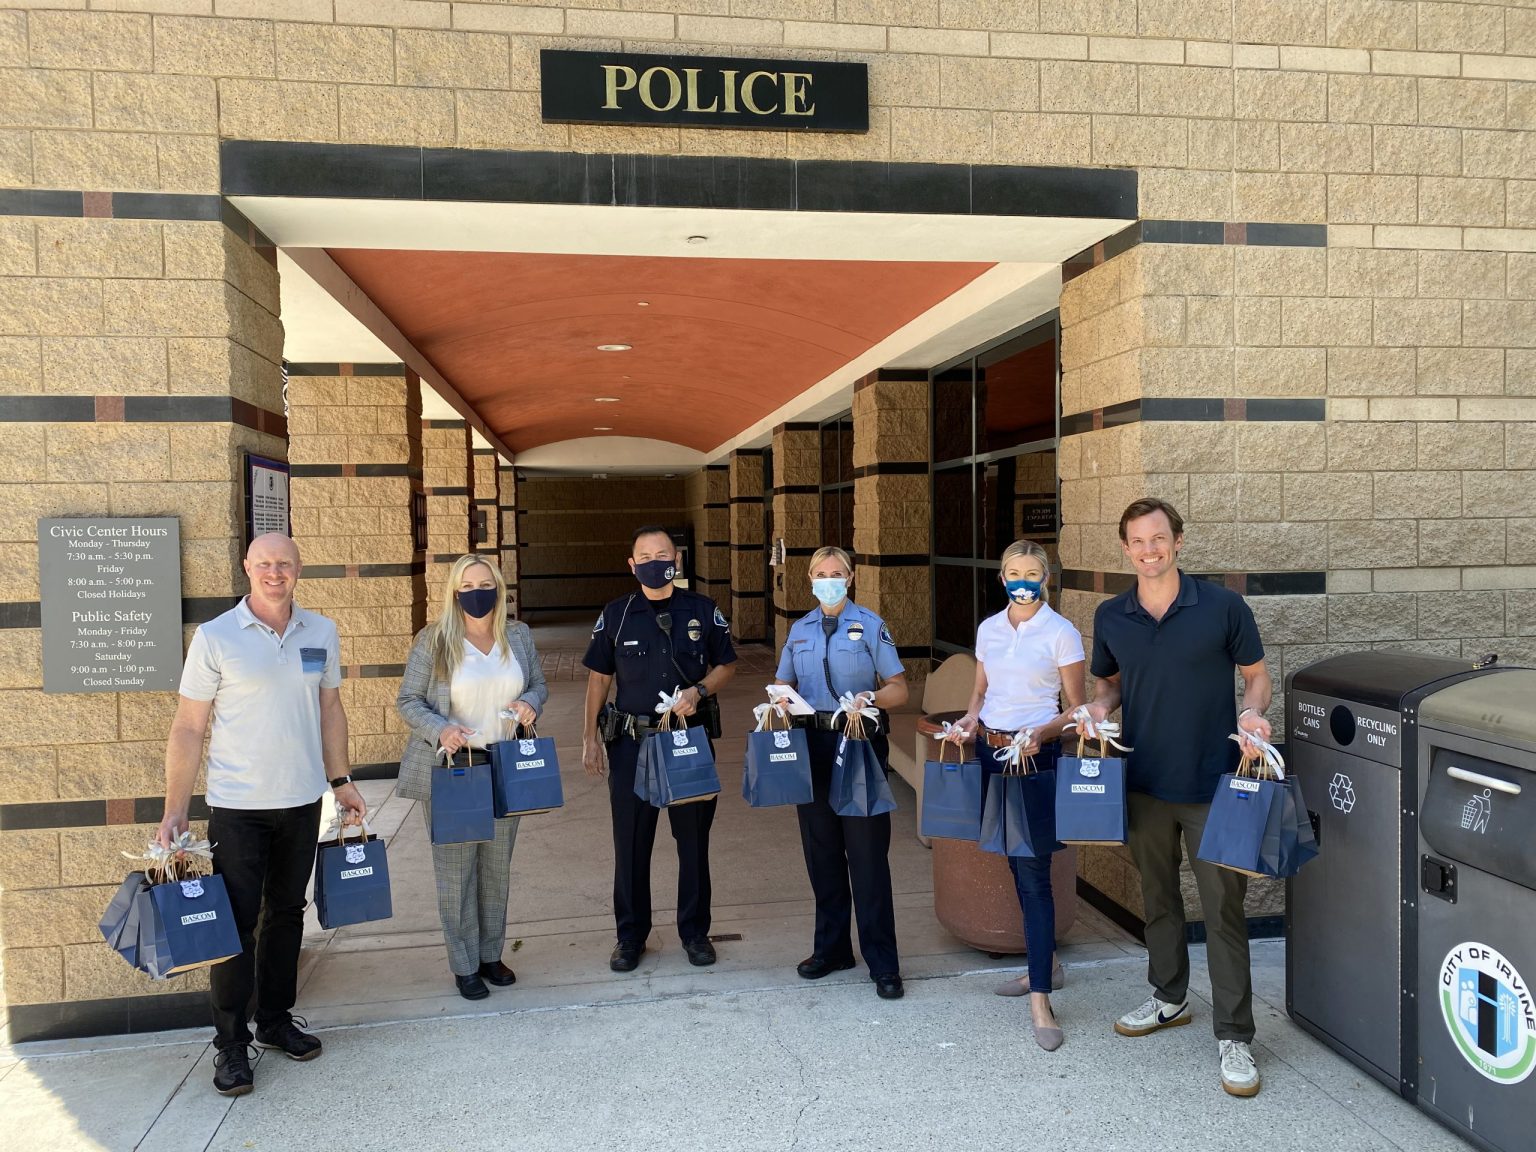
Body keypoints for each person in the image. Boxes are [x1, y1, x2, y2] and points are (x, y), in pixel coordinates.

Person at [158, 533, 366, 1097]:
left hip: (302, 800)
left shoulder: (321, 631)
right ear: (247, 567)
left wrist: (341, 780)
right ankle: (230, 1045)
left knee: (287, 915)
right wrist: (176, 808)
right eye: (265, 564)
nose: (276, 573)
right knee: (236, 924)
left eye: (285, 564)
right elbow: (189, 726)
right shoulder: (216, 636)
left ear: (299, 569)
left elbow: (330, 707)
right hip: (237, 807)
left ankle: (274, 1020)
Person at [1081, 497, 1272, 1097]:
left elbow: (1257, 676)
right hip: (1144, 783)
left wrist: (1252, 714)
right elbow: (1110, 684)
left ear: (1179, 541)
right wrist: (1098, 708)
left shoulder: (1222, 607)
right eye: (1138, 541)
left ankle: (1235, 1035)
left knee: (1223, 910)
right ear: (1125, 549)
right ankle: (1169, 997)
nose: (1149, 550)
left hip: (1213, 784)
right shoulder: (1112, 616)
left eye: (1158, 538)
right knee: (1158, 898)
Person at [948, 540, 1085, 1050]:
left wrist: (1041, 734)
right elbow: (981, 693)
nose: (1021, 581)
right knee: (1014, 860)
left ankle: (1041, 999)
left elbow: (1077, 710)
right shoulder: (988, 628)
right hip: (992, 753)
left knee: (1033, 874)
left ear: (1045, 578)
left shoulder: (1061, 632)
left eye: (1031, 573)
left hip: (1034, 759)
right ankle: (1047, 964)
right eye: (1013, 573)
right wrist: (969, 721)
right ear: (1001, 577)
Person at [581, 526, 737, 972]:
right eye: (645, 557)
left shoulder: (702, 610)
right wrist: (590, 737)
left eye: (662, 554)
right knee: (631, 844)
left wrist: (700, 691)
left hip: (687, 741)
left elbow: (727, 665)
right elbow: (599, 679)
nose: (654, 563)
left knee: (693, 842)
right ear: (632, 565)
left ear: (677, 560)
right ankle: (630, 937)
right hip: (632, 745)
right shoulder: (616, 614)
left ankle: (695, 933)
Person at [396, 555, 547, 1001]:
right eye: (467, 586)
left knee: (496, 870)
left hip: (505, 765)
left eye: (485, 584)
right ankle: (464, 966)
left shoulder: (517, 635)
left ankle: (490, 955)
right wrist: (440, 728)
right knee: (457, 873)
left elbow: (539, 684)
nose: (477, 593)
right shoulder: (434, 640)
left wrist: (531, 703)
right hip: (455, 769)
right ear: (454, 592)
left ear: (498, 588)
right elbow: (408, 700)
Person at [773, 546, 910, 1000]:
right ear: (810, 579)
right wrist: (778, 700)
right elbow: (784, 682)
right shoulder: (799, 630)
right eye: (820, 573)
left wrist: (872, 698)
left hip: (858, 744)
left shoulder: (870, 625)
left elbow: (899, 688)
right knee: (823, 853)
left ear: (850, 578)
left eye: (837, 573)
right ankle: (832, 949)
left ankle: (883, 962)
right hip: (812, 745)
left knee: (867, 855)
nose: (828, 580)